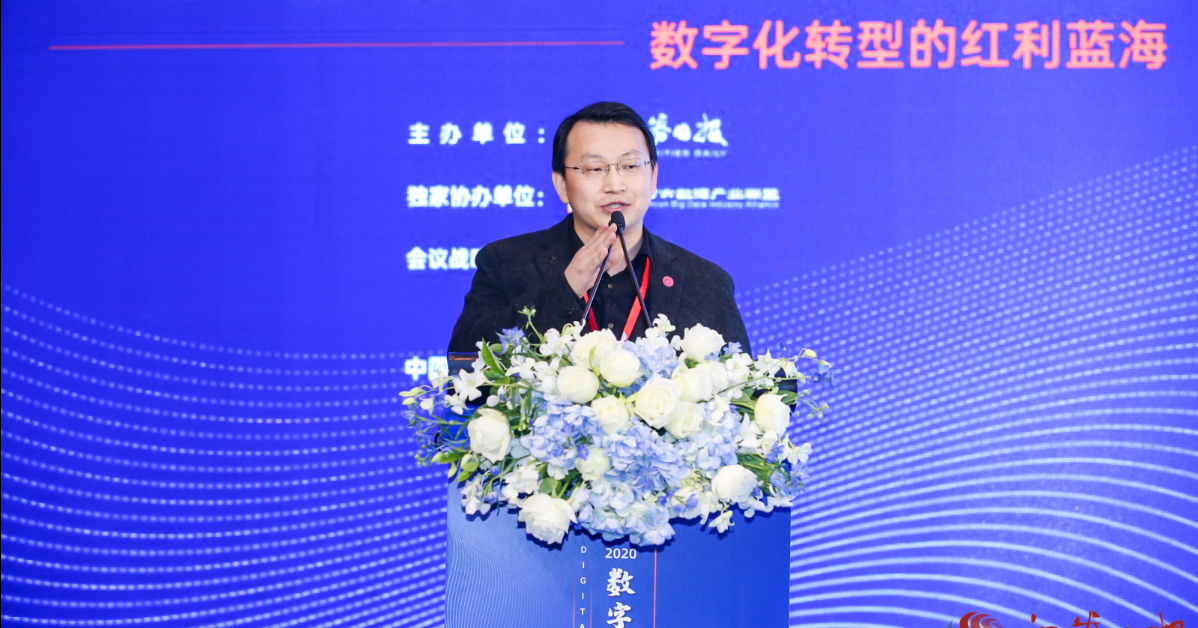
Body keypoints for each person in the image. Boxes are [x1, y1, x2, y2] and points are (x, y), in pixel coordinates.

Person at [448, 101, 750, 355]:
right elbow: (465, 361)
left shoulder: (705, 282)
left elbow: (745, 391)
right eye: (594, 169)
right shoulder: (505, 263)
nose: (615, 184)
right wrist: (566, 288)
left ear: (654, 177)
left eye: (630, 166)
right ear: (562, 185)